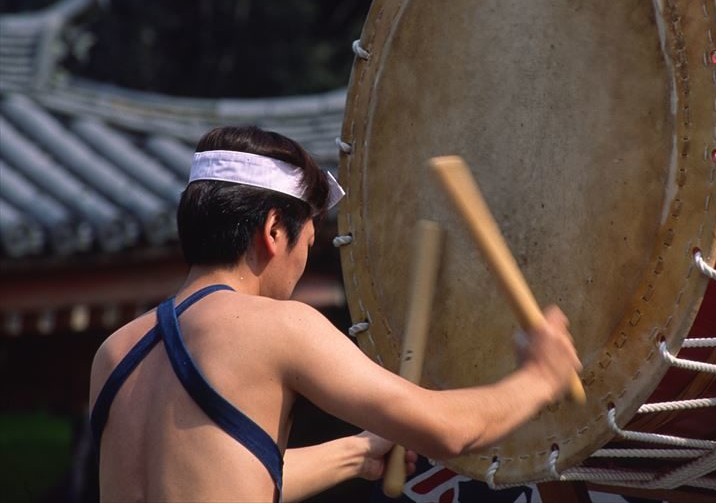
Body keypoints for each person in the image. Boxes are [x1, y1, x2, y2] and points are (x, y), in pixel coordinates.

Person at [89, 126, 581, 502]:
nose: (303, 261)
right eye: (308, 241)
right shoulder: (277, 326)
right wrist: (541, 376)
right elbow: (446, 430)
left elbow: (222, 479)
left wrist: (357, 453)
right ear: (274, 230)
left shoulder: (116, 351)